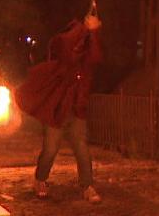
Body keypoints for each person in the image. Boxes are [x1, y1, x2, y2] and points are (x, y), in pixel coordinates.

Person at [15, 14, 104, 203]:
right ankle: (40, 180)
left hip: (76, 109)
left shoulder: (87, 60)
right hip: (57, 109)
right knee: (51, 148)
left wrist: (94, 33)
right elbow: (66, 48)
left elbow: (96, 57)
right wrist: (86, 29)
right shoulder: (65, 47)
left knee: (82, 148)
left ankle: (87, 186)